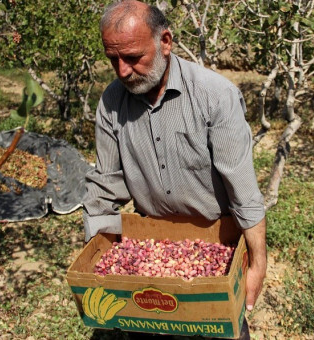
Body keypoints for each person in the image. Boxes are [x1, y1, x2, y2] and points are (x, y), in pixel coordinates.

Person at [82, 1, 266, 338]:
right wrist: (98, 262)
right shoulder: (111, 103)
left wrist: (257, 264)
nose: (122, 71)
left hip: (214, 242)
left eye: (134, 58)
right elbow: (105, 188)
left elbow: (243, 191)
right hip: (150, 244)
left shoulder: (215, 96)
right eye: (113, 59)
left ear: (165, 41)